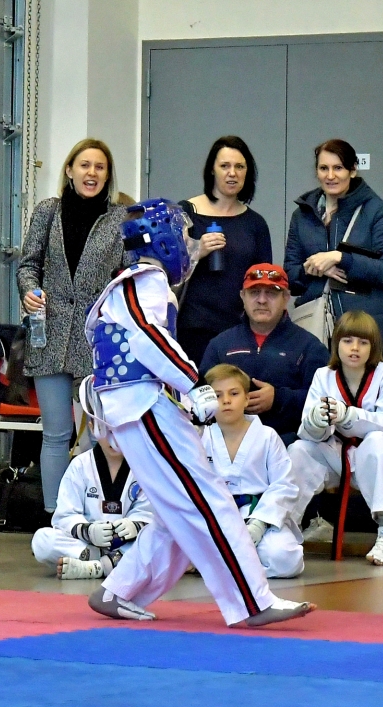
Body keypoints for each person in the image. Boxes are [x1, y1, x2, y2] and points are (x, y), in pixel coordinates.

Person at [80, 198, 313, 627]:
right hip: (146, 407)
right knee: (207, 500)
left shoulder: (128, 285)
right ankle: (252, 601)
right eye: (185, 235)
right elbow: (149, 338)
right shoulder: (146, 282)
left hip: (137, 406)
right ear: (164, 240)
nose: (189, 244)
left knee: (177, 511)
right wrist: (194, 383)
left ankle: (119, 589)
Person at [17, 139, 129, 512]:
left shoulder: (120, 219)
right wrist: (29, 290)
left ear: (108, 175)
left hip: (97, 339)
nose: (91, 173)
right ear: (69, 170)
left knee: (99, 436)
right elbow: (28, 264)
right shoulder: (48, 211)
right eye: (84, 165)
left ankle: (98, 514)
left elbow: (130, 274)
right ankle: (55, 516)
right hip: (48, 334)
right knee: (56, 434)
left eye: (100, 167)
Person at [287, 310, 383, 566]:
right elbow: (308, 431)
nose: (354, 348)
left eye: (363, 342)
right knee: (299, 449)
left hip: (377, 458)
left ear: (373, 347)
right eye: (347, 341)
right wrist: (316, 421)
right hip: (336, 456)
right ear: (336, 344)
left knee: (378, 441)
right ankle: (286, 529)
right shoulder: (323, 375)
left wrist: (348, 415)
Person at [285, 139, 383, 358]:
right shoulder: (302, 215)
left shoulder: (376, 210)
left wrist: (340, 258)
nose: (330, 176)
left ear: (353, 170)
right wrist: (317, 268)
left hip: (365, 333)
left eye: (338, 168)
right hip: (318, 331)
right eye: (324, 168)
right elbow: (290, 277)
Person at [200, 264, 329, 444]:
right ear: (242, 296)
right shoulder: (220, 345)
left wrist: (278, 398)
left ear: (286, 298)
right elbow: (199, 394)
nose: (262, 300)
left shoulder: (309, 346)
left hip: (288, 445)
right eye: (254, 292)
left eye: (271, 293)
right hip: (226, 445)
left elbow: (325, 402)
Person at [178, 136, 273, 366]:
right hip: (193, 328)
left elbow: (263, 281)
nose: (232, 173)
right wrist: (197, 251)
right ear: (212, 170)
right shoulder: (186, 213)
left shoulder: (255, 223)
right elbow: (166, 272)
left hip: (239, 330)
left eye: (239, 167)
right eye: (225, 166)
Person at [204, 364, 304, 579]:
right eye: (217, 395)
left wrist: (259, 523)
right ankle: (234, 564)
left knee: (285, 558)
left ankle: (230, 568)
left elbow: (284, 485)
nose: (226, 401)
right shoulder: (200, 438)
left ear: (247, 399)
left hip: (258, 516)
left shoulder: (267, 436)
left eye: (234, 393)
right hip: (215, 518)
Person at [30, 436, 152, 580]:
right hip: (87, 544)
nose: (113, 439)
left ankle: (96, 568)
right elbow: (65, 515)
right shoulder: (80, 465)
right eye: (106, 431)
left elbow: (149, 513)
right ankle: (102, 561)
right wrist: (88, 531)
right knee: (42, 540)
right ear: (92, 428)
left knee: (160, 543)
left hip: (126, 543)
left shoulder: (143, 467)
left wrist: (134, 525)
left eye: (118, 431)